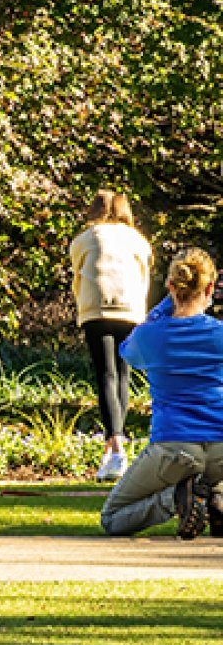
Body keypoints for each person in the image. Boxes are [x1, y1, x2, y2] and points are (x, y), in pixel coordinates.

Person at [101, 248, 223, 539]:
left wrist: (166, 306)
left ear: (171, 287)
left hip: (174, 447)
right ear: (210, 288)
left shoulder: (149, 336)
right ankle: (216, 501)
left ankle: (174, 498)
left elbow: (126, 351)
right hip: (221, 445)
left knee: (113, 518)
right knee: (214, 482)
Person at [68, 190, 152, 481]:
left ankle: (116, 448)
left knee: (106, 375)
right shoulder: (137, 240)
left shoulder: (87, 237)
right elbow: (144, 277)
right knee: (123, 374)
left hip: (97, 310)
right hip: (129, 311)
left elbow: (77, 270)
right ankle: (113, 448)